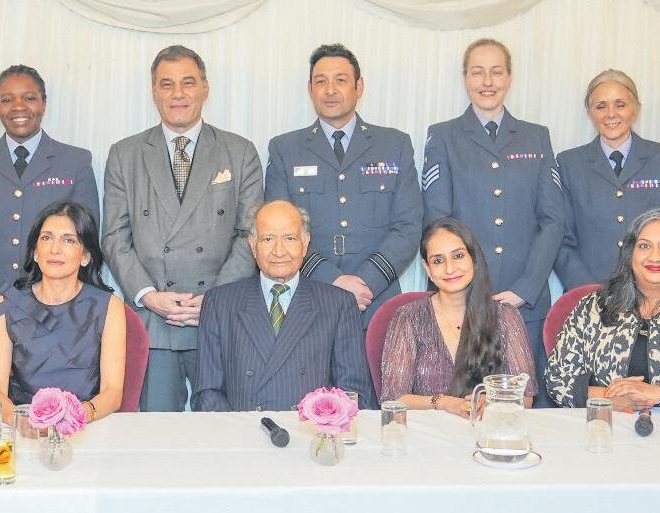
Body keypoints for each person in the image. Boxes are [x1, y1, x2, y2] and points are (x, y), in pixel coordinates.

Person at [102, 44, 262, 412]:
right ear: (153, 91)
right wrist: (148, 295)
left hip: (221, 318)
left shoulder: (240, 151)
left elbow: (250, 235)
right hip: (154, 320)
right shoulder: (125, 154)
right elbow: (114, 236)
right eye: (167, 84)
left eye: (188, 82)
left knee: (225, 430)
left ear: (205, 88)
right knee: (157, 434)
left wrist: (215, 300)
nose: (178, 93)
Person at [0, 65, 99, 411]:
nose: (18, 107)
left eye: (29, 98)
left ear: (44, 103)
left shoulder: (74, 161)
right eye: (7, 99)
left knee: (58, 418)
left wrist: (54, 302)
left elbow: (84, 238)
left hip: (58, 317)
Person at [422, 38, 562, 407]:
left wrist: (525, 288)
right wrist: (461, 286)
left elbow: (552, 220)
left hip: (525, 302)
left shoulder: (536, 136)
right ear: (465, 78)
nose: (487, 81)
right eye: (478, 72)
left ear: (509, 78)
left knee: (526, 405)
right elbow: (438, 222)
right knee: (460, 405)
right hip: (462, 301)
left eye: (496, 72)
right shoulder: (443, 136)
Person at [264, 43, 422, 325]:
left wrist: (367, 281)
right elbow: (279, 230)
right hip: (310, 297)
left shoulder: (394, 145)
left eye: (340, 80)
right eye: (320, 81)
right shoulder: (284, 149)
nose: (330, 90)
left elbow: (408, 226)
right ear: (310, 89)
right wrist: (332, 280)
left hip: (377, 299)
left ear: (359, 87)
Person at [192, 200, 374, 411]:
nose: (279, 251)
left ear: (305, 243)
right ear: (252, 244)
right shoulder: (219, 303)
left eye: (289, 238)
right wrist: (239, 428)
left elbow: (352, 393)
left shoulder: (338, 304)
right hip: (240, 428)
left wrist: (318, 426)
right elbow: (207, 392)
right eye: (268, 239)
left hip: (310, 429)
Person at [0, 201, 126, 423]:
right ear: (35, 252)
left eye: (68, 240)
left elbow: (112, 393)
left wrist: (77, 416)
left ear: (86, 256)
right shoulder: (3, 305)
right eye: (46, 238)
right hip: (25, 426)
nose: (55, 249)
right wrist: (24, 422)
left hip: (86, 424)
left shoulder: (110, 306)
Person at [381, 218, 536, 417]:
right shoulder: (409, 317)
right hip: (429, 431)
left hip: (489, 428)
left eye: (458, 256)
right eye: (438, 260)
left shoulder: (505, 315)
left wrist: (494, 400)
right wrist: (443, 403)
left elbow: (526, 396)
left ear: (474, 258)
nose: (449, 269)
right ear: (427, 269)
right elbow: (394, 398)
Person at [556, 69, 660, 290]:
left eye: (620, 104)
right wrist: (589, 293)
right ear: (590, 113)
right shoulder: (569, 163)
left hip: (654, 293)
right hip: (591, 294)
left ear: (635, 109)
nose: (611, 114)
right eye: (600, 106)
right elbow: (562, 240)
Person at [548, 208, 660, 409]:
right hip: (602, 423)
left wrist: (659, 392)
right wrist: (609, 398)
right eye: (644, 246)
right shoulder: (595, 306)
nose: (655, 257)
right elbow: (556, 379)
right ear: (630, 253)